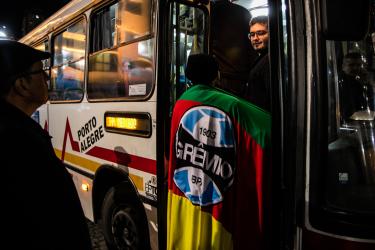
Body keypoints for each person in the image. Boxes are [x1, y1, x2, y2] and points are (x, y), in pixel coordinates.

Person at [167, 53, 271, 250]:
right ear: (216, 75)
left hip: (190, 189)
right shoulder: (229, 104)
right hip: (216, 203)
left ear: (188, 74)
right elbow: (265, 129)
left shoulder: (182, 101)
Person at [0, 40, 92, 249]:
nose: (46, 78)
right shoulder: (19, 145)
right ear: (21, 84)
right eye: (39, 72)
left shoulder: (17, 132)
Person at [211, 0, 258, 96]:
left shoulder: (208, 10)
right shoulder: (244, 13)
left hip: (216, 76)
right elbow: (250, 46)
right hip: (240, 77)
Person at [245, 15, 271, 112]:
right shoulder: (262, 58)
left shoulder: (269, 61)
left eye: (260, 33)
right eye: (252, 35)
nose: (255, 38)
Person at [339, 52, 374, 122]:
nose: (355, 68)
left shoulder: (360, 81)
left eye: (358, 65)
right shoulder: (340, 82)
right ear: (343, 66)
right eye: (351, 65)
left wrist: (366, 84)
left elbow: (369, 107)